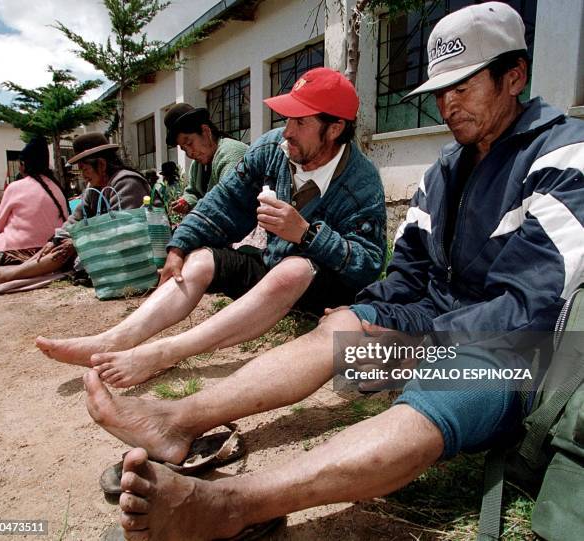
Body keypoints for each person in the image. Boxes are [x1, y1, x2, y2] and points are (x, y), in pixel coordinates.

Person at [77, 3, 583, 539]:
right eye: (440, 91)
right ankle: (177, 422)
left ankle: (231, 503)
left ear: (515, 76)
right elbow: (407, 274)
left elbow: (531, 310)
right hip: (443, 330)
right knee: (342, 329)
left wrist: (419, 346)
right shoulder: (445, 169)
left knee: (457, 375)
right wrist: (368, 315)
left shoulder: (565, 156)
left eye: (463, 87)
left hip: (524, 356)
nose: (447, 104)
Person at [35, 68, 387, 389]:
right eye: (286, 119)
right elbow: (224, 202)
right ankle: (113, 339)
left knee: (294, 267)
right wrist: (179, 247)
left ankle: (165, 353)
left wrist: (308, 235)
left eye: (301, 122)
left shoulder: (362, 182)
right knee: (201, 259)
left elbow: (368, 265)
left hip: (320, 290)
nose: (287, 132)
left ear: (335, 128)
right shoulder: (272, 149)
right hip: (273, 269)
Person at [0, 133, 149, 286]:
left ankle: (9, 275)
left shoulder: (126, 182)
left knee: (70, 249)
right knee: (61, 245)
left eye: (85, 169)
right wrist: (55, 239)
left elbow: (122, 229)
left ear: (101, 165)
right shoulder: (94, 188)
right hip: (106, 243)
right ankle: (18, 272)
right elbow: (75, 218)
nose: (84, 175)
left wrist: (77, 241)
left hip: (132, 247)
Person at [0, 137, 67, 271]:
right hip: (52, 250)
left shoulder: (15, 187)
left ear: (23, 163)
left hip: (20, 252)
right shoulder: (57, 187)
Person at [165, 103, 248, 216]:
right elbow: (192, 191)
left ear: (205, 131)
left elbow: (228, 202)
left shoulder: (231, 154)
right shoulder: (197, 165)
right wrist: (186, 202)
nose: (189, 153)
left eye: (189, 143)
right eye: (184, 149)